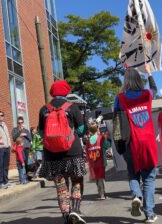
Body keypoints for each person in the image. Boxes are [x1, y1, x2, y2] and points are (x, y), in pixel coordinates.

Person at [114, 64, 158, 223]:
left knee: (133, 173)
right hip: (147, 142)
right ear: (139, 80)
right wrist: (149, 73)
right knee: (149, 177)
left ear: (125, 81)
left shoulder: (119, 98)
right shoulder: (147, 94)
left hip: (130, 142)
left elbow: (117, 118)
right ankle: (149, 214)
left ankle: (136, 195)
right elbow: (155, 90)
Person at [38, 80, 87, 224]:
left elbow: (41, 133)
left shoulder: (44, 109)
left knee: (61, 186)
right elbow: (81, 129)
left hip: (52, 155)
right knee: (77, 180)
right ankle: (75, 210)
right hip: (72, 152)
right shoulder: (72, 107)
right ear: (66, 92)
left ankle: (66, 215)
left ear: (52, 93)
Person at [85, 121, 109, 200]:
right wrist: (106, 138)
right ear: (98, 129)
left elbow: (87, 151)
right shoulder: (100, 138)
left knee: (97, 177)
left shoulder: (88, 141)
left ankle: (100, 191)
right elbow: (107, 145)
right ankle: (102, 194)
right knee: (101, 177)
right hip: (101, 161)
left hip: (93, 161)